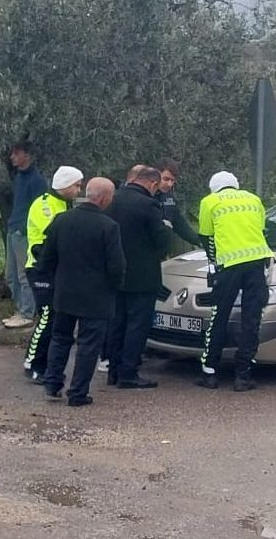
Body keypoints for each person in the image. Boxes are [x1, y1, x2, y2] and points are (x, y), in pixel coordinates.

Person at [40, 178, 125, 406]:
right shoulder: (108, 227)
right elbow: (116, 266)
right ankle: (77, 393)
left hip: (65, 292)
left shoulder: (61, 220)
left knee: (60, 339)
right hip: (96, 297)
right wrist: (114, 287)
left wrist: (53, 282)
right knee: (88, 345)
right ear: (106, 198)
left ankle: (52, 384)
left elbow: (46, 257)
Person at [194, 171, 273, 392]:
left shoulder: (209, 202)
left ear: (214, 187)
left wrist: (215, 263)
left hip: (228, 267)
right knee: (252, 318)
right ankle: (243, 375)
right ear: (236, 186)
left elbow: (207, 237)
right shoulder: (253, 199)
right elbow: (261, 230)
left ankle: (209, 372)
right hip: (257, 263)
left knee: (219, 315)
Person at [105, 166, 171, 389]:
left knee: (117, 323)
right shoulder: (149, 204)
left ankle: (113, 370)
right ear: (152, 184)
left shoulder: (112, 199)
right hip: (142, 277)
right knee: (137, 325)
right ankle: (128, 373)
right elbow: (162, 241)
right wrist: (166, 230)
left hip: (115, 274)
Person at [23, 166, 84, 382]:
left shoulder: (65, 205)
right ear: (65, 185)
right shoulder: (45, 205)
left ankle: (48, 364)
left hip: (59, 271)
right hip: (41, 269)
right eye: (76, 185)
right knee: (47, 316)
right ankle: (33, 363)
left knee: (57, 318)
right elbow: (43, 243)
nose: (79, 190)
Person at [3, 141, 48, 329]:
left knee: (24, 275)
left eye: (16, 153)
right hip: (13, 230)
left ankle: (27, 313)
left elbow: (38, 207)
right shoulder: (19, 177)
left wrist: (23, 228)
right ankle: (20, 309)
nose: (12, 157)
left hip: (24, 232)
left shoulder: (36, 180)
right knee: (10, 275)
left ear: (27, 155)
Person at [154, 158, 200, 247]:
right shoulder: (142, 197)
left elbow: (180, 225)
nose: (169, 184)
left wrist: (199, 241)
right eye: (166, 179)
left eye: (173, 180)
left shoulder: (169, 198)